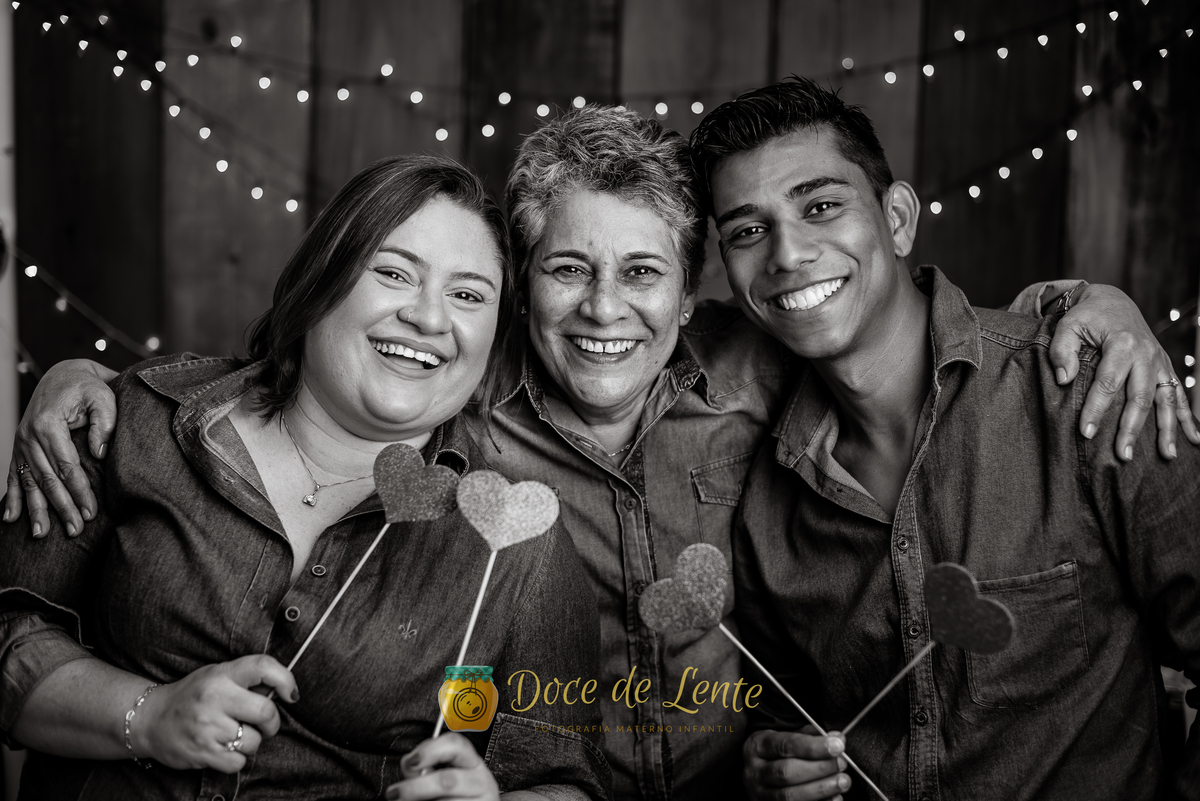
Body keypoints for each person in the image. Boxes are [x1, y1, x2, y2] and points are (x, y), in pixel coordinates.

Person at [4, 106, 1191, 801]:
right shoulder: (456, 407)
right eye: (568, 269)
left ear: (692, 293)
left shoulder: (757, 375)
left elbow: (895, 328)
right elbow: (324, 362)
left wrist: (1081, 307)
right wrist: (84, 384)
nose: (605, 310)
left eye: (643, 274)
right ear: (521, 286)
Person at [0, 155, 609, 800]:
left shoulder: (517, 542)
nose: (430, 319)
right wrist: (148, 716)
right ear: (322, 279)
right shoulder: (134, 420)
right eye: (394, 273)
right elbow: (13, 633)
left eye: (467, 295)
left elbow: (565, 782)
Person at [686, 76, 1200, 800]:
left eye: (821, 206)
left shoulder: (1084, 394)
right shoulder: (762, 495)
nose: (787, 254)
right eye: (746, 231)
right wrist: (771, 763)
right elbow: (783, 714)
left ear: (897, 219)